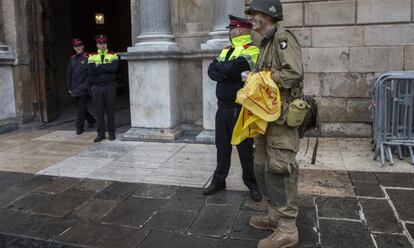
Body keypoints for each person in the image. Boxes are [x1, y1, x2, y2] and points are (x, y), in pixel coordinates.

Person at [245, 0, 305, 247]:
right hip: (265, 116)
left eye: (255, 13)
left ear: (268, 15)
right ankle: (274, 214)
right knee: (261, 166)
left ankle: (288, 228)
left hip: (281, 117)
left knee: (280, 168)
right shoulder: (265, 42)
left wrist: (261, 79)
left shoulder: (283, 39)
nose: (251, 18)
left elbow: (294, 73)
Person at [203, 15, 262, 202]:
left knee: (245, 149)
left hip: (240, 108)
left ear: (239, 31)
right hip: (223, 109)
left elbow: (227, 70)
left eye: (231, 29)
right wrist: (226, 71)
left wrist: (224, 70)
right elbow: (212, 71)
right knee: (222, 147)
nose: (229, 32)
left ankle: (253, 184)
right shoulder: (226, 50)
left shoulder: (252, 50)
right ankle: (219, 181)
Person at [87, 34, 119, 143]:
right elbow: (91, 70)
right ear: (97, 44)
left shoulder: (113, 54)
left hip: (109, 85)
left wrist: (98, 66)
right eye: (100, 43)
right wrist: (106, 67)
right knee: (99, 111)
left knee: (110, 110)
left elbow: (114, 68)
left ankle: (112, 133)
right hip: (96, 87)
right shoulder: (91, 55)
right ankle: (100, 134)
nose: (102, 45)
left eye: (104, 43)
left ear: (106, 43)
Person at [66, 38, 96, 135]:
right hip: (74, 87)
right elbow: (69, 74)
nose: (78, 48)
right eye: (76, 46)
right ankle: (91, 120)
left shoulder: (88, 57)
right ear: (74, 48)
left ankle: (79, 127)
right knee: (80, 108)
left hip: (83, 87)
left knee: (81, 109)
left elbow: (90, 73)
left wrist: (89, 86)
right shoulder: (72, 59)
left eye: (80, 46)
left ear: (83, 46)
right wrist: (69, 87)